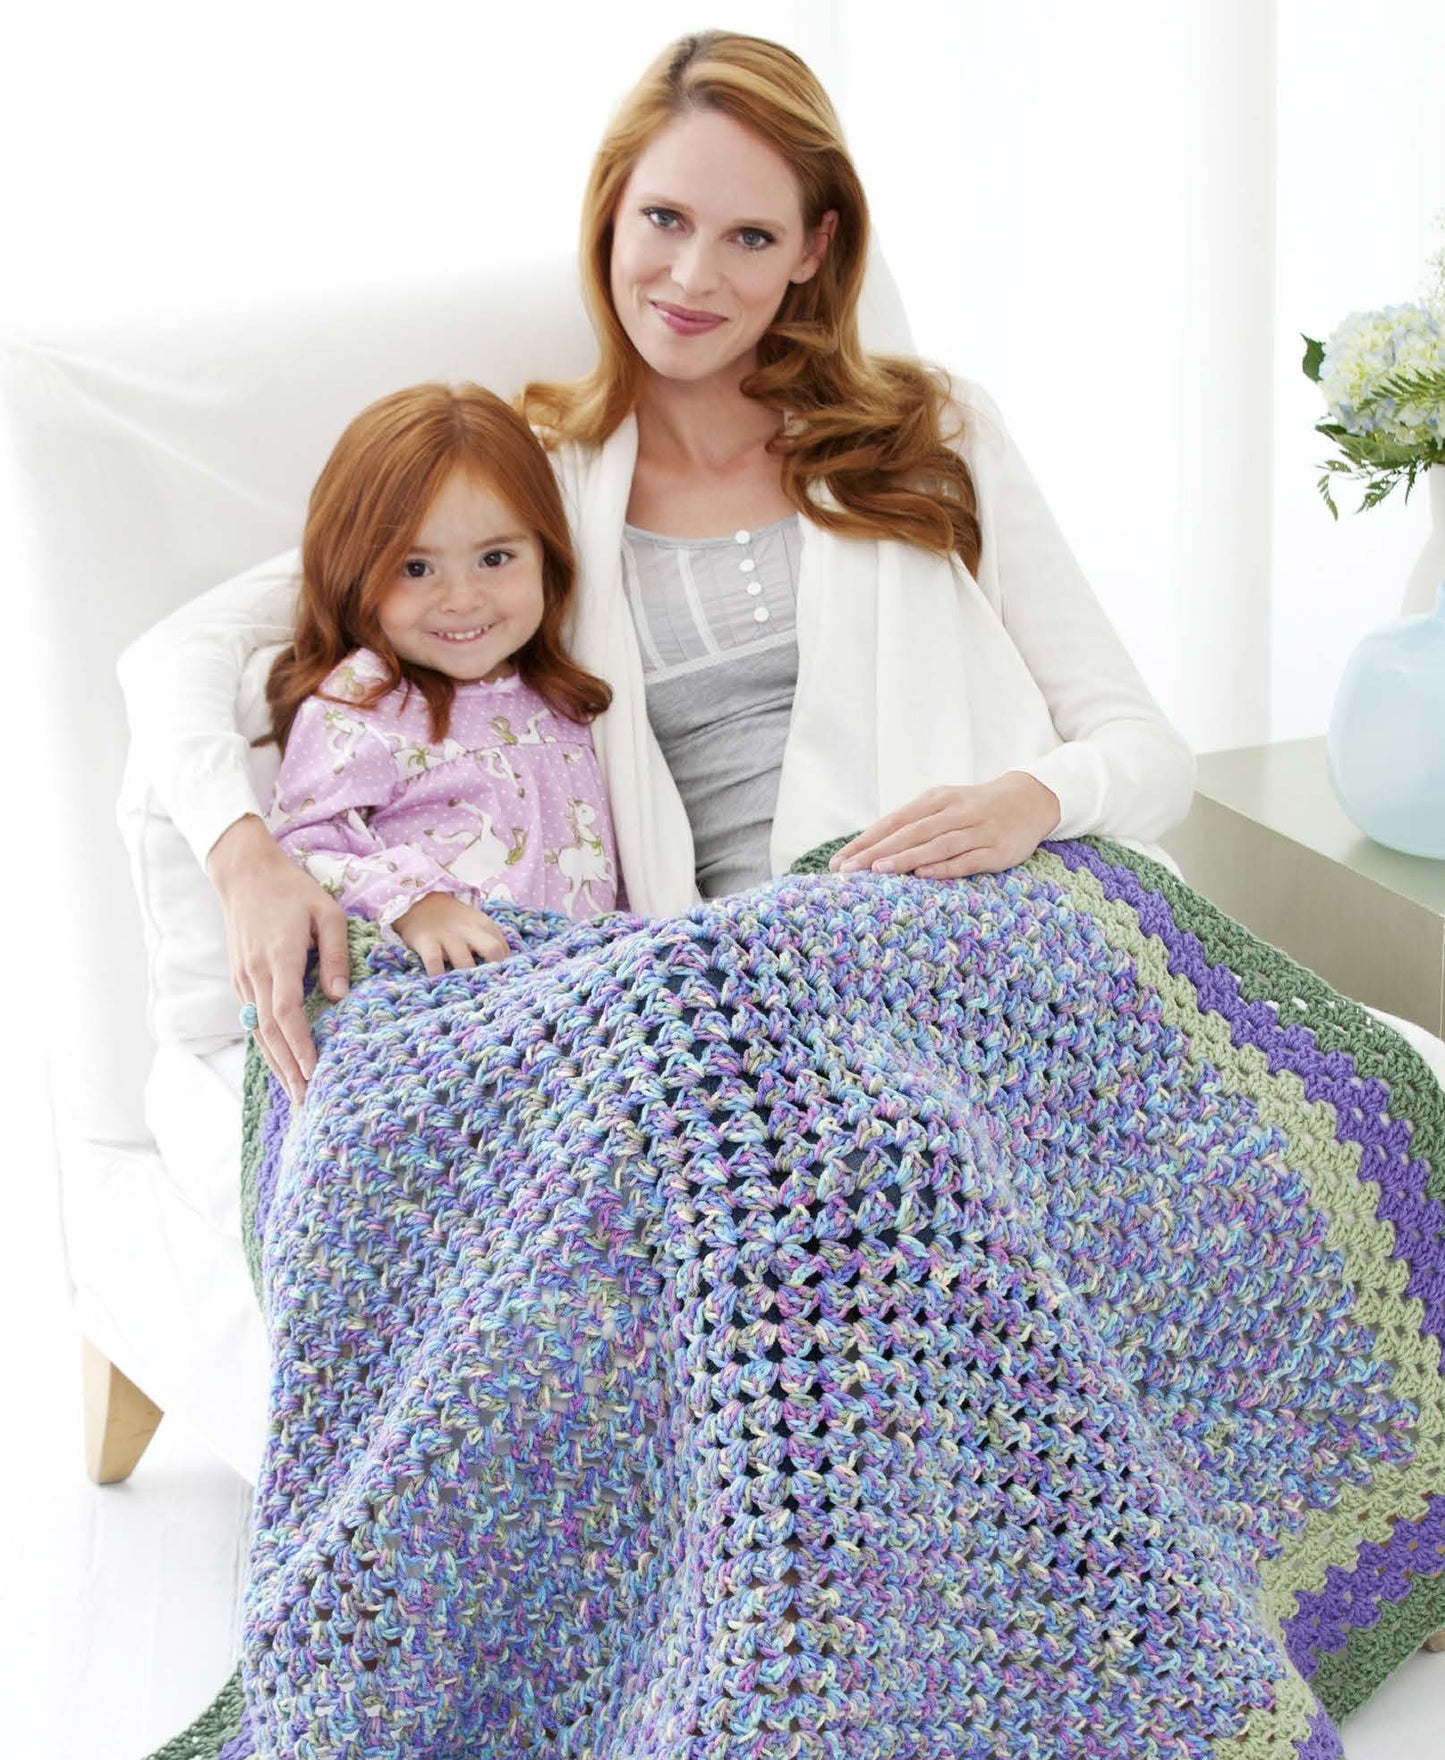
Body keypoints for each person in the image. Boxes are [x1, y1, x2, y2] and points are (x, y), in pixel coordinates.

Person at [117, 29, 1195, 1102]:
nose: (692, 277)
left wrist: (1029, 800)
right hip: (759, 1010)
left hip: (1008, 928)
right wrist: (244, 856)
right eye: (665, 220)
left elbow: (1145, 751)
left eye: (750, 238)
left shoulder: (933, 434)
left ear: (813, 250)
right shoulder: (530, 490)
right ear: (610, 213)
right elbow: (179, 652)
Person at [262, 382, 618, 980]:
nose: (462, 598)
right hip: (444, 996)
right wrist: (415, 903)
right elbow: (300, 845)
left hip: (580, 990)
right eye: (416, 568)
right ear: (355, 570)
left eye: (495, 558)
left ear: (545, 552)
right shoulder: (362, 702)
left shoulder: (562, 696)